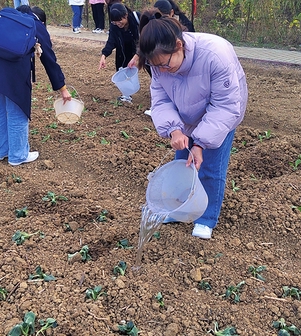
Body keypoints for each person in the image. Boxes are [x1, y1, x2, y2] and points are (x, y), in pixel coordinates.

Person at [136, 10, 248, 239]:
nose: (162, 70)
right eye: (156, 67)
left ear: (178, 45)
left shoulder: (215, 54)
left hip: (220, 114)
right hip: (186, 114)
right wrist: (175, 130)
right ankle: (181, 209)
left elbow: (225, 106)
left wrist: (200, 143)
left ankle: (206, 218)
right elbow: (161, 99)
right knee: (183, 164)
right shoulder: (159, 64)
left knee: (209, 166)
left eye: (165, 65)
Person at [0, 6, 71, 166]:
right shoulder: (35, 25)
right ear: (41, 20)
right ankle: (18, 155)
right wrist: (62, 88)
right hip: (12, 73)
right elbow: (49, 59)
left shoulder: (3, 16)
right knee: (17, 111)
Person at [99, 3, 140, 102]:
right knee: (122, 68)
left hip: (142, 47)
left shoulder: (137, 19)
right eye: (115, 22)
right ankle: (127, 95)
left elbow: (145, 39)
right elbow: (111, 41)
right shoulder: (114, 26)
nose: (118, 24)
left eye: (120, 21)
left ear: (125, 15)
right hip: (123, 50)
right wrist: (104, 55)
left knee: (151, 68)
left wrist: (137, 56)